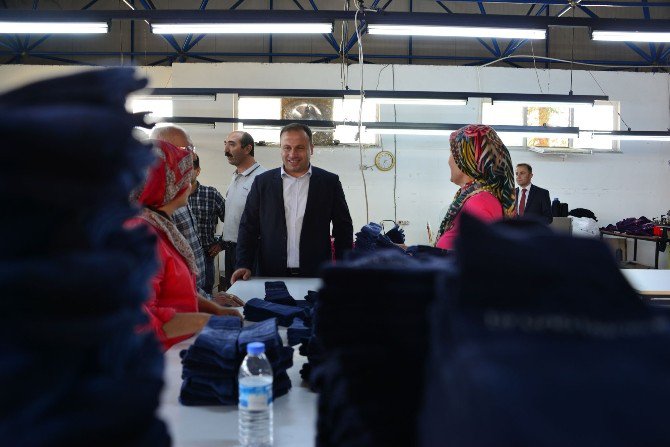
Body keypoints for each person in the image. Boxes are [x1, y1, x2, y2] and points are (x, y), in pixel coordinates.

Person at [131, 140, 241, 350]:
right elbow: (141, 319)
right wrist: (206, 321)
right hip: (158, 359)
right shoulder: (141, 236)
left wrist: (213, 309)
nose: (190, 184)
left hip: (180, 346)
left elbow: (175, 290)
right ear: (169, 186)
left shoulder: (161, 225)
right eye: (185, 179)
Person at [232, 123, 353, 281]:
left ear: (311, 148)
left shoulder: (329, 182)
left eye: (300, 148)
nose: (292, 154)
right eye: (287, 147)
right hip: (270, 273)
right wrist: (243, 263)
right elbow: (248, 227)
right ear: (280, 149)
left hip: (316, 274)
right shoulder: (262, 183)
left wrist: (344, 266)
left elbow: (343, 229)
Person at [150, 125, 244, 307]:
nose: (192, 156)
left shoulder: (179, 197)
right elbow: (165, 288)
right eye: (187, 149)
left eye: (192, 149)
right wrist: (208, 303)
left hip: (197, 289)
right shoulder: (154, 209)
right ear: (164, 152)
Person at [434, 124, 515, 250]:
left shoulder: (480, 202)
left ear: (466, 159)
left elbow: (478, 262)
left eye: (452, 154)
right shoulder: (472, 198)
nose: (448, 161)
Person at [221, 130, 266, 289]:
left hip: (250, 251)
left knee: (249, 295)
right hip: (231, 248)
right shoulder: (235, 176)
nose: (226, 150)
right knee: (233, 295)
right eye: (225, 144)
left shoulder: (262, 178)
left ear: (248, 149)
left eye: (232, 145)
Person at [189, 151, 226, 294]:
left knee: (206, 292)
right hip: (178, 258)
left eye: (189, 168)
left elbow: (231, 220)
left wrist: (221, 243)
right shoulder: (171, 196)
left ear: (197, 171)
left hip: (206, 255)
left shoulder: (211, 194)